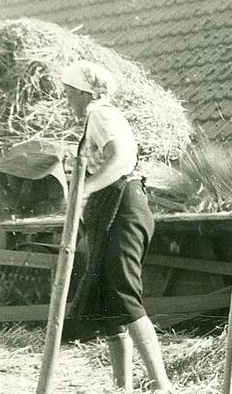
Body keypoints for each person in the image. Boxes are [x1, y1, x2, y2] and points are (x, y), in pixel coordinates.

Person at [61, 60, 171, 393]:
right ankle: (122, 388)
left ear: (83, 93)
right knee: (108, 301)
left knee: (123, 293)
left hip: (123, 206)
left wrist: (85, 188)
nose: (68, 102)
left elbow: (121, 158)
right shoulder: (96, 118)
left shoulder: (101, 114)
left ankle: (160, 384)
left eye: (69, 95)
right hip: (109, 209)